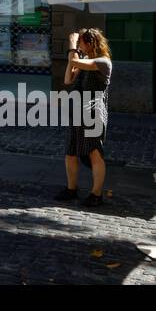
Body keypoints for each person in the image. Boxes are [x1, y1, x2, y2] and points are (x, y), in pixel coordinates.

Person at [55, 27, 113, 206]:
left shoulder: (103, 62)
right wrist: (74, 57)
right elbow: (67, 79)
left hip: (93, 113)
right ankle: (71, 189)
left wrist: (72, 47)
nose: (78, 46)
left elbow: (75, 62)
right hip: (77, 112)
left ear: (89, 43)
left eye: (80, 42)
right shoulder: (84, 60)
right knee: (70, 152)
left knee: (94, 153)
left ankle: (96, 194)